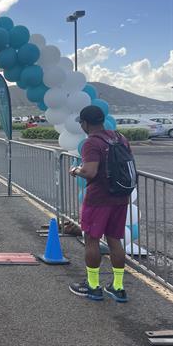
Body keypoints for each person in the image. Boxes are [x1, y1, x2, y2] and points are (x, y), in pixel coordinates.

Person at [68, 105, 134, 303]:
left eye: (81, 123)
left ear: (85, 123)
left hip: (99, 199)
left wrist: (75, 170)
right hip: (120, 197)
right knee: (115, 240)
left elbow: (90, 172)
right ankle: (118, 287)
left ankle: (93, 286)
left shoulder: (92, 143)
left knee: (92, 240)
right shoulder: (120, 138)